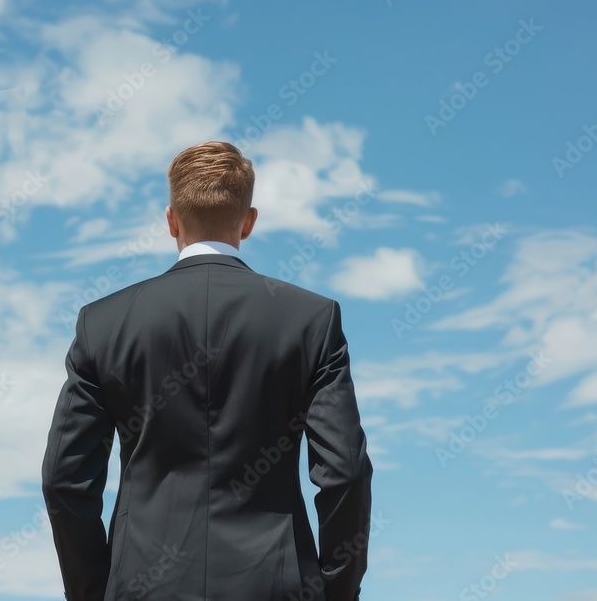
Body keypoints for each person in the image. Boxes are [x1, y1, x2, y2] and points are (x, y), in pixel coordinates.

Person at [42, 140, 373, 601]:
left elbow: (64, 481)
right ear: (249, 221)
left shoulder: (103, 323)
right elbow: (346, 474)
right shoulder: (311, 320)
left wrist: (95, 591)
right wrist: (335, 592)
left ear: (171, 220)